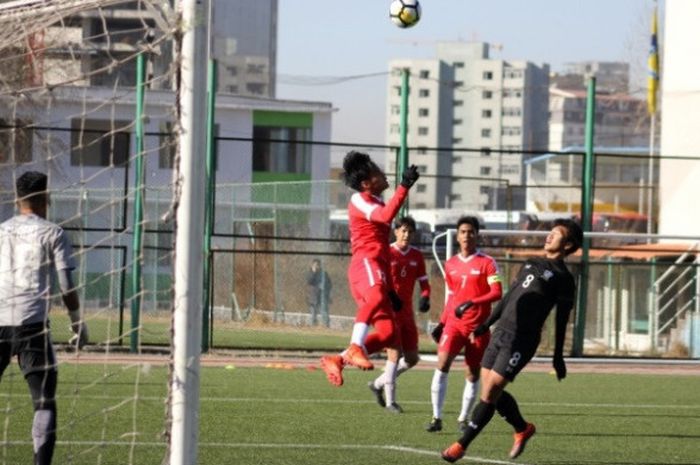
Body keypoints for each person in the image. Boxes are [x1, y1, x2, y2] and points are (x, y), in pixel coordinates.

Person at [441, 218, 583, 463]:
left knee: (489, 391)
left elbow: (561, 319)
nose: (549, 236)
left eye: (556, 233)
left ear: (568, 245)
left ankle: (461, 445)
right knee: (490, 390)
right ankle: (522, 428)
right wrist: (486, 325)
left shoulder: (564, 278)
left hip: (522, 339)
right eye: (550, 232)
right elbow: (509, 297)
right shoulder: (531, 262)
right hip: (500, 333)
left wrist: (558, 355)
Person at [0, 171, 89, 465]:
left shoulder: (1, 231)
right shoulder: (53, 233)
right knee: (43, 400)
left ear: (17, 199)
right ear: (46, 198)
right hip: (32, 325)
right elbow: (65, 286)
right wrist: (77, 323)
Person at [320, 151, 419, 390]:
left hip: (377, 271)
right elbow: (385, 218)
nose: (383, 174)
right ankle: (355, 346)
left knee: (387, 334)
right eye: (377, 172)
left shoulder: (376, 201)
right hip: (365, 264)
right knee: (374, 296)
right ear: (366, 183)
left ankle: (338, 359)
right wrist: (404, 186)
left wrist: (392, 290)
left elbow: (383, 243)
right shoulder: (359, 200)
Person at [426, 216, 502, 433]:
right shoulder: (451, 264)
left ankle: (463, 418)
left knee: (472, 374)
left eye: (471, 232)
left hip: (478, 327)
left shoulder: (487, 263)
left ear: (477, 235)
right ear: (457, 236)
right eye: (463, 232)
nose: (467, 235)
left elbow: (497, 293)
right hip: (454, 325)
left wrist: (472, 302)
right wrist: (441, 323)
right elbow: (451, 296)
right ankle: (436, 418)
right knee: (442, 365)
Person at [366, 216, 431, 412]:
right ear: (395, 232)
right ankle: (390, 402)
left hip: (407, 313)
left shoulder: (416, 256)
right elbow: (378, 280)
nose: (406, 234)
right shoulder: (387, 252)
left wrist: (425, 297)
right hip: (390, 311)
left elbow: (424, 283)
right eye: (403, 230)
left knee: (412, 358)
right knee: (394, 353)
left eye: (410, 231)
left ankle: (377, 384)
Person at [306, 258, 332, 326]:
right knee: (313, 313)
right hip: (313, 296)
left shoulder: (324, 273)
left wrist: (325, 288)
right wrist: (314, 272)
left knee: (324, 311)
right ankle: (313, 325)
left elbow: (329, 284)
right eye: (314, 265)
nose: (316, 266)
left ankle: (326, 325)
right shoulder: (310, 273)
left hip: (322, 295)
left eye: (318, 265)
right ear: (312, 265)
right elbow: (309, 281)